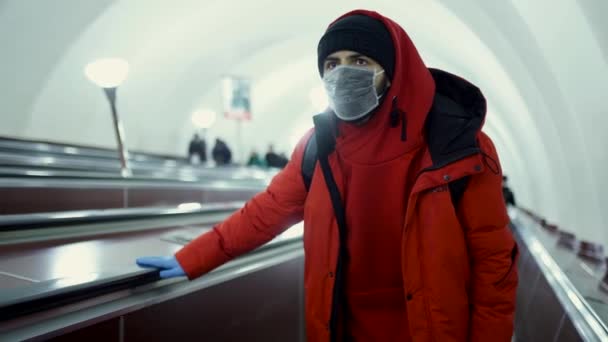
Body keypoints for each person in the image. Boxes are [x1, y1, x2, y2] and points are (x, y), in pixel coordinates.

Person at [137, 10, 518, 341]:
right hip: (341, 327)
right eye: (332, 64)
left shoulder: (459, 147)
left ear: (394, 71)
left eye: (360, 61)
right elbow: (265, 213)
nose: (342, 74)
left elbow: (494, 269)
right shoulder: (319, 146)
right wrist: (193, 257)